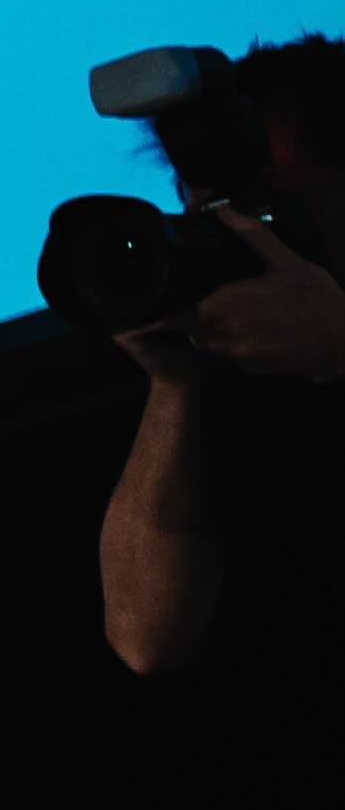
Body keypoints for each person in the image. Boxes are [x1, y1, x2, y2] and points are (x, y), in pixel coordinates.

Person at [99, 39, 345, 675]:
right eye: (214, 213)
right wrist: (174, 386)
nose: (250, 237)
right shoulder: (238, 372)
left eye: (269, 208)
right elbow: (147, 639)